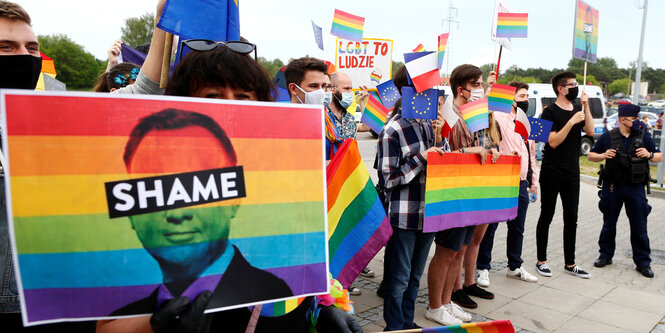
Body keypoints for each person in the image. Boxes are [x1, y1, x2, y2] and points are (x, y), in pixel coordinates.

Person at [110, 109, 293, 317]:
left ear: (234, 199)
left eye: (200, 186)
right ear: (131, 212)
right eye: (153, 191)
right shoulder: (117, 318)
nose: (177, 214)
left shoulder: (280, 300)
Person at [425, 64, 494, 326]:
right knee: (446, 251)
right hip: (452, 192)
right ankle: (434, 305)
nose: (479, 89)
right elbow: (441, 151)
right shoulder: (448, 114)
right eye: (476, 84)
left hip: (470, 191)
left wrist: (487, 150)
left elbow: (479, 144)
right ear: (460, 88)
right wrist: (472, 152)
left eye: (480, 84)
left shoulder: (471, 114)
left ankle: (446, 301)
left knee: (459, 250)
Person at [378, 75, 447, 330]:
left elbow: (440, 163)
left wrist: (441, 141)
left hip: (428, 213)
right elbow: (388, 180)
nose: (431, 96)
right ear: (407, 93)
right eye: (423, 90)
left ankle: (407, 321)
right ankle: (394, 326)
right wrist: (422, 158)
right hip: (403, 216)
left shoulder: (429, 125)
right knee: (398, 279)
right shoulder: (392, 130)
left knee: (415, 277)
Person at [588, 103, 662, 278]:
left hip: (635, 187)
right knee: (609, 224)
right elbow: (591, 155)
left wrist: (649, 154)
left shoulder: (643, 136)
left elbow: (659, 156)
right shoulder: (608, 137)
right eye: (634, 119)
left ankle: (643, 262)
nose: (638, 122)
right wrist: (603, 155)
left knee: (639, 226)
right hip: (613, 187)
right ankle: (605, 256)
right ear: (623, 120)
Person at [476, 82, 539, 287]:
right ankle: (483, 267)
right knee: (491, 226)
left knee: (517, 227)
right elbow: (485, 115)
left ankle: (515, 266)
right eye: (521, 96)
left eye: (527, 96)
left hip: (521, 182)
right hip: (500, 179)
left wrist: (534, 181)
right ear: (511, 98)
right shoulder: (499, 117)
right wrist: (490, 91)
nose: (526, 100)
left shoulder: (527, 123)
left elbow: (532, 156)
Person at [535, 71, 594, 279]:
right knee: (547, 215)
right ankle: (541, 260)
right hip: (552, 171)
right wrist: (570, 122)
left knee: (572, 218)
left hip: (572, 172)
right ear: (561, 89)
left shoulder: (579, 109)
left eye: (577, 84)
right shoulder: (548, 112)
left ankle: (571, 263)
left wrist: (586, 109)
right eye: (572, 84)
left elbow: (591, 130)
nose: (576, 87)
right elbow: (552, 142)